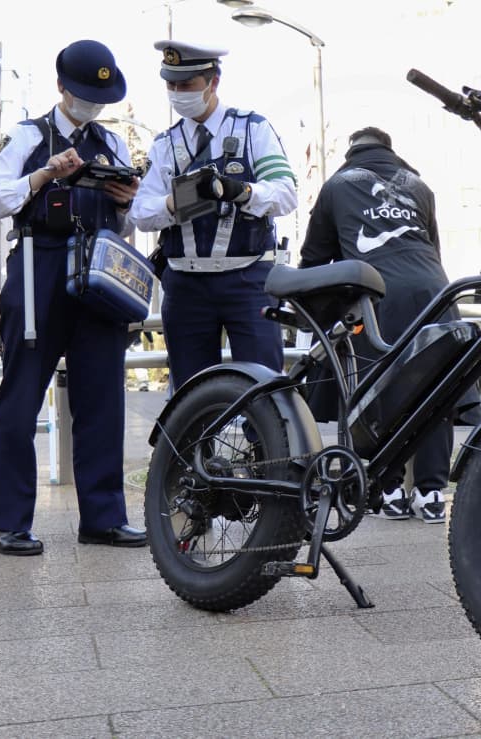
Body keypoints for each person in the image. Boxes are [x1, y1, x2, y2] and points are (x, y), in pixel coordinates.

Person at [0, 40, 145, 555]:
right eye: (83, 94)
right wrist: (45, 173)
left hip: (98, 268)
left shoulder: (112, 144)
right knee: (22, 394)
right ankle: (6, 521)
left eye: (100, 96)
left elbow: (132, 220)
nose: (91, 104)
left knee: (102, 396)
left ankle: (103, 517)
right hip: (39, 265)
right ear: (60, 88)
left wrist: (129, 199)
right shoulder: (29, 135)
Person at [299, 126, 453, 523]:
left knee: (380, 393)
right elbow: (431, 248)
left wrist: (313, 312)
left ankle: (388, 490)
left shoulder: (336, 186)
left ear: (351, 153)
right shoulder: (420, 186)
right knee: (435, 390)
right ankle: (431, 492)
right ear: (390, 150)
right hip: (435, 292)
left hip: (377, 296)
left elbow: (315, 259)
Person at [131, 41, 297, 388]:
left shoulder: (253, 129)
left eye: (186, 84)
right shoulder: (165, 144)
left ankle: (265, 444)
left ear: (212, 82)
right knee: (189, 399)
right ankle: (194, 445)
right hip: (185, 285)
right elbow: (141, 213)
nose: (177, 93)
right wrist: (173, 204)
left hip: (248, 280)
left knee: (265, 389)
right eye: (171, 85)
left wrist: (244, 192)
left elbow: (285, 192)